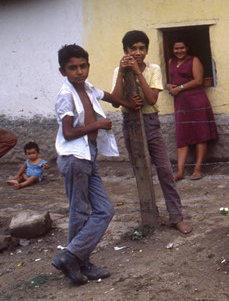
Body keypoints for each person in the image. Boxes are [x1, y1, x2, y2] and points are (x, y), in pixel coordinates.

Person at [52, 44, 142, 285]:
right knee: (79, 210)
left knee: (104, 210)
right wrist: (98, 125)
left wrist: (128, 104)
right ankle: (79, 262)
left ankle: (72, 256)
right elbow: (69, 132)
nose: (79, 71)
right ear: (63, 71)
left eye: (83, 66)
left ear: (88, 67)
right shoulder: (66, 95)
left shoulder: (87, 88)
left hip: (88, 155)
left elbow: (108, 96)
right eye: (73, 68)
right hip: (74, 157)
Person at [111, 30, 192, 234]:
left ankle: (176, 216)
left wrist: (137, 72)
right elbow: (115, 100)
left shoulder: (153, 69)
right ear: (125, 51)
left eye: (142, 48)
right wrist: (123, 74)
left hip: (151, 122)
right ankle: (150, 216)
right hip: (130, 123)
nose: (138, 52)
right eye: (133, 49)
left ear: (147, 50)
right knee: (140, 170)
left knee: (165, 170)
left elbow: (152, 99)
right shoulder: (118, 71)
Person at [165, 38, 218, 181]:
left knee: (200, 133)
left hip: (196, 100)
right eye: (176, 48)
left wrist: (180, 88)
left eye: (182, 48)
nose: (179, 51)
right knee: (183, 134)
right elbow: (172, 80)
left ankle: (198, 169)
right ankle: (180, 171)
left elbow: (198, 80)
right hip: (181, 103)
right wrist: (170, 86)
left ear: (187, 48)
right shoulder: (171, 62)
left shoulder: (194, 60)